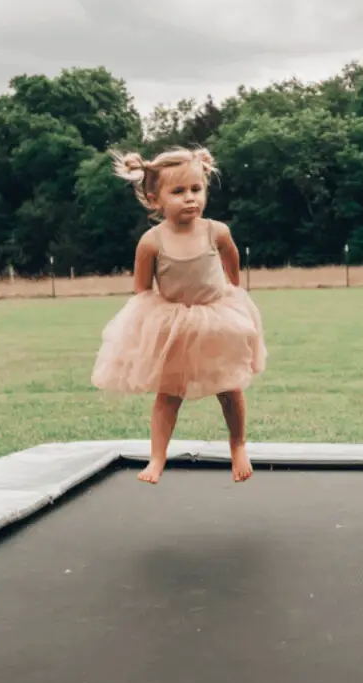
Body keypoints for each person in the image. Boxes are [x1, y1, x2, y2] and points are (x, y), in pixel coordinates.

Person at [91, 146, 266, 485]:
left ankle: (238, 445)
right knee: (168, 395)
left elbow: (231, 261)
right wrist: (153, 323)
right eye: (179, 191)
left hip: (217, 320)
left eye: (196, 190)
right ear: (156, 200)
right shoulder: (151, 242)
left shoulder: (217, 231)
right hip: (173, 324)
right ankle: (157, 458)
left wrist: (233, 289)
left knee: (230, 388)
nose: (190, 199)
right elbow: (142, 289)